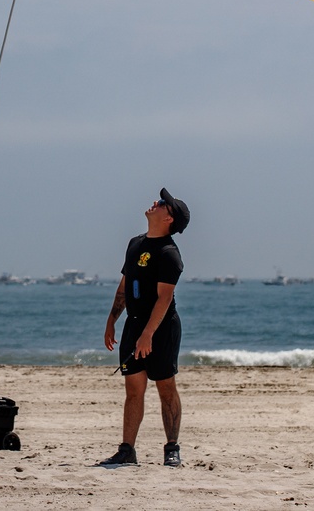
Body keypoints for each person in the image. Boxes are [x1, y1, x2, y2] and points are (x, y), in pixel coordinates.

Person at [100, 187, 190, 467]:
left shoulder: (169, 254)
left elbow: (164, 298)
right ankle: (127, 450)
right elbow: (126, 285)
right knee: (134, 390)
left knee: (165, 387)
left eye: (163, 203)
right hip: (134, 324)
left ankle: (171, 448)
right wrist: (112, 320)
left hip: (160, 329)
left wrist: (148, 335)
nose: (156, 202)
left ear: (169, 219)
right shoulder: (134, 244)